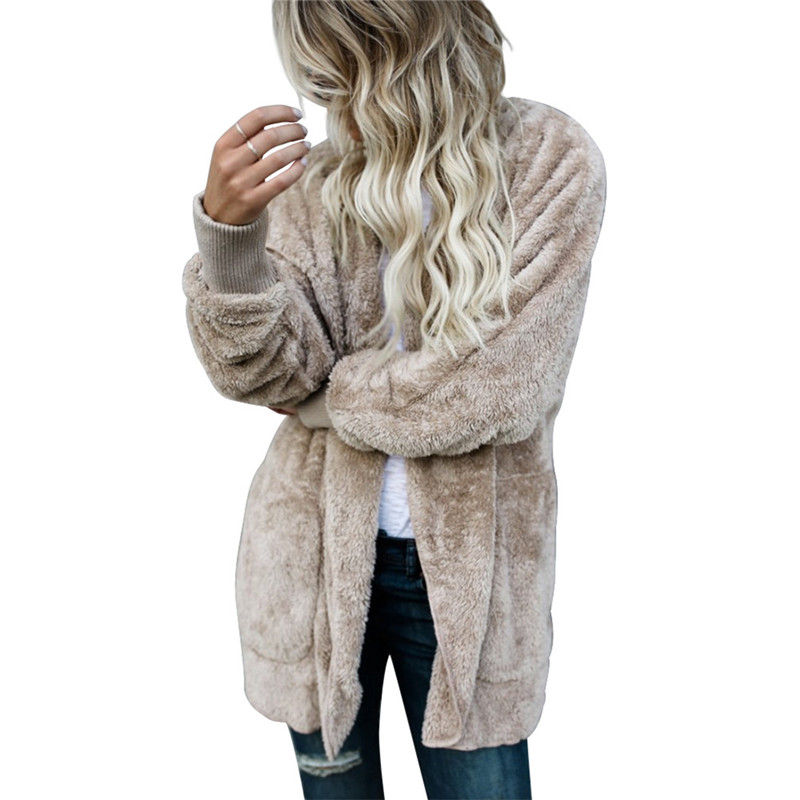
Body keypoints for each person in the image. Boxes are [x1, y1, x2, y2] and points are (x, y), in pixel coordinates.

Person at [182, 1, 606, 797]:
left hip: (473, 583)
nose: (326, 97)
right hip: (309, 562)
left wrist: (328, 403)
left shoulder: (548, 158)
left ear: (398, 45)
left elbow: (497, 387)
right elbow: (268, 375)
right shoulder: (316, 182)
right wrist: (231, 243)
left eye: (340, 66)